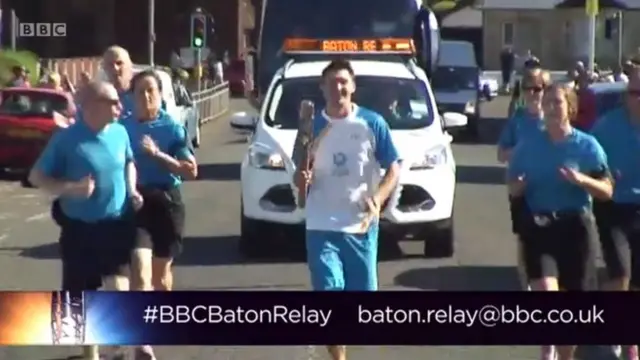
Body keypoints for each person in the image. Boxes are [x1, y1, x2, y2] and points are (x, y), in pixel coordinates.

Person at [293, 59, 400, 360]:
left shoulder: (372, 123)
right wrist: (302, 179)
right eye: (331, 82)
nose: (337, 87)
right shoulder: (310, 126)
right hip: (321, 224)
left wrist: (378, 197)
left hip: (361, 225)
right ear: (322, 87)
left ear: (352, 86)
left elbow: (393, 167)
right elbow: (298, 178)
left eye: (343, 81)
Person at [28, 81, 144, 360]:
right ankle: (91, 354)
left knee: (118, 285)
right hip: (79, 230)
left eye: (120, 101)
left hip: (116, 224)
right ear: (91, 105)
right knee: (82, 298)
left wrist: (132, 188)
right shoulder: (67, 139)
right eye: (113, 102)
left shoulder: (119, 132)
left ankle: (114, 348)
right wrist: (72, 188)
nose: (120, 107)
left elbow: (129, 161)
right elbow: (37, 177)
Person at [508, 83, 612, 360]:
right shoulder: (529, 146)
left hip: (575, 228)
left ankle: (564, 354)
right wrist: (517, 187)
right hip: (539, 228)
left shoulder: (587, 146)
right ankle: (547, 351)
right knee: (547, 292)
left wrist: (582, 181)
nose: (552, 108)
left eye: (558, 103)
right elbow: (512, 185)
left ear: (570, 108)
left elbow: (607, 190)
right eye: (548, 103)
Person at [590, 68, 640, 360]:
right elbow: (590, 160)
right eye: (634, 93)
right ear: (626, 96)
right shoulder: (607, 127)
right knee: (620, 272)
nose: (639, 99)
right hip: (613, 207)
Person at [102, 46, 135, 116]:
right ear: (104, 68)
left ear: (130, 66)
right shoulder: (100, 98)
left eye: (119, 63)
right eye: (110, 65)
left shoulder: (142, 93)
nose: (115, 68)